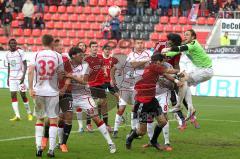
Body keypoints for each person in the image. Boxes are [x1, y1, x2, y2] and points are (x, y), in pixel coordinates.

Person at [65, 46, 116, 154]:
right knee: (62, 119)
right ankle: (61, 143)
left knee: (96, 118)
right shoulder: (66, 65)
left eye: (83, 55)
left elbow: (84, 81)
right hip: (70, 96)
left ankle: (110, 143)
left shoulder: (85, 65)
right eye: (81, 55)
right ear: (73, 55)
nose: (83, 57)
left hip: (84, 96)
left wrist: (71, 76)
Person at [126, 54, 180, 150]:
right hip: (143, 102)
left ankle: (153, 141)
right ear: (158, 61)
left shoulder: (153, 67)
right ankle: (130, 138)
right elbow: (168, 71)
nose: (163, 64)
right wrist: (179, 72)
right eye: (162, 62)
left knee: (163, 121)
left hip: (152, 100)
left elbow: (166, 75)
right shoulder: (154, 66)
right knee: (142, 132)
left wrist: (176, 80)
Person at [162, 29, 213, 120]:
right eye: (184, 35)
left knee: (183, 80)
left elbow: (181, 48)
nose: (185, 36)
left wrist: (168, 48)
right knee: (184, 83)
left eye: (187, 35)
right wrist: (164, 55)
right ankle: (190, 108)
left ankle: (178, 105)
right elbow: (176, 51)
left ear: (193, 37)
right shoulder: (187, 45)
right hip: (200, 70)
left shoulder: (193, 44)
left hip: (205, 70)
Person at [28, 34, 64, 157]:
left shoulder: (36, 55)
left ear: (42, 42)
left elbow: (30, 70)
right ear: (52, 43)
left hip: (39, 91)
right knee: (53, 120)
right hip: (53, 92)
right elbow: (61, 75)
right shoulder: (58, 56)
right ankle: (51, 150)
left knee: (40, 119)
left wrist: (31, 88)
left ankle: (38, 147)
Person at [41, 39, 73, 153]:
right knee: (52, 117)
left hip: (67, 91)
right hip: (52, 91)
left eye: (62, 45)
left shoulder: (66, 60)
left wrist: (64, 88)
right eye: (58, 45)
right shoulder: (49, 59)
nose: (61, 47)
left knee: (68, 116)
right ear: (53, 47)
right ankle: (45, 137)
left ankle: (63, 143)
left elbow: (70, 76)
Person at [84, 41, 112, 132]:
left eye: (96, 46)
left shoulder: (100, 57)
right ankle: (88, 124)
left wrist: (104, 71)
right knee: (92, 105)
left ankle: (106, 125)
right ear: (90, 48)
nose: (95, 48)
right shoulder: (86, 59)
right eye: (93, 47)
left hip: (101, 83)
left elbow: (103, 66)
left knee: (104, 104)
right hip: (91, 84)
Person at [6, 39, 33, 121]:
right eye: (11, 43)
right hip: (12, 78)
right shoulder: (7, 54)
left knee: (23, 95)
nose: (13, 44)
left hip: (20, 77)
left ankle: (29, 113)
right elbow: (9, 66)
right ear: (9, 44)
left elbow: (25, 65)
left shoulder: (20, 52)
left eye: (14, 43)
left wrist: (23, 76)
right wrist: (8, 77)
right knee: (13, 95)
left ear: (16, 44)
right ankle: (17, 116)